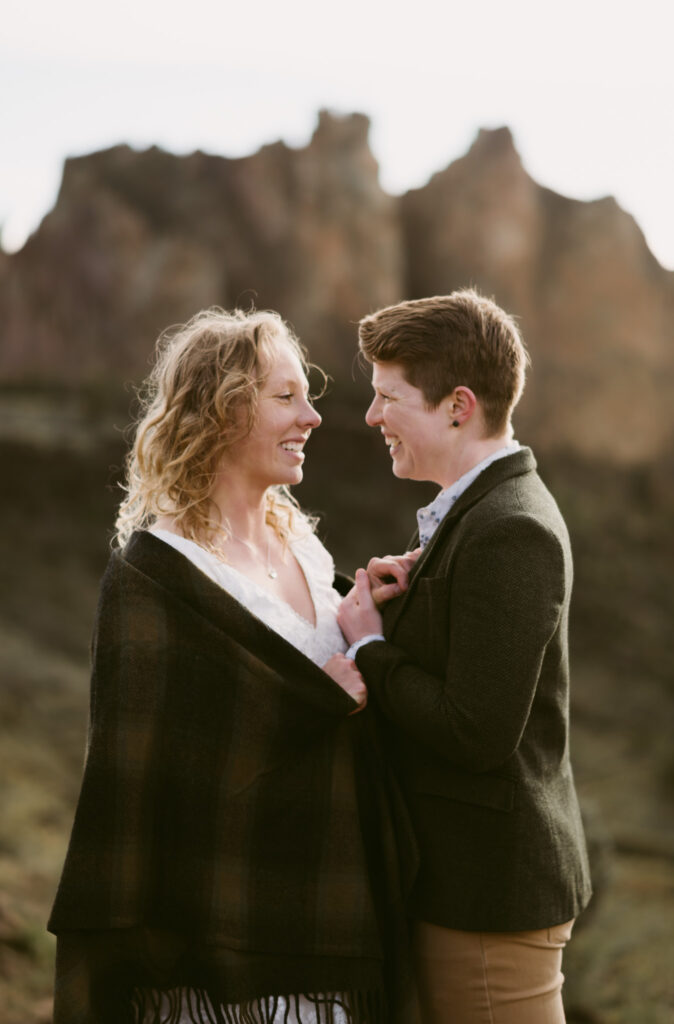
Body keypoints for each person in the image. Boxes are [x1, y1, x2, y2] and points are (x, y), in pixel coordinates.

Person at [48, 308, 417, 1024]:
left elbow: (320, 674)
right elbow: (157, 769)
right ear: (219, 411)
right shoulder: (153, 574)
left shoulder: (306, 551)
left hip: (329, 926)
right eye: (285, 397)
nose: (313, 415)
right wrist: (320, 701)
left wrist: (368, 611)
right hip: (215, 951)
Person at [338, 289, 592, 1024]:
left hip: (490, 894)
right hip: (464, 886)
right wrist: (390, 611)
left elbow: (476, 732)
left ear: (457, 405)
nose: (372, 416)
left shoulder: (512, 529)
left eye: (389, 397)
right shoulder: (476, 513)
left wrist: (372, 648)